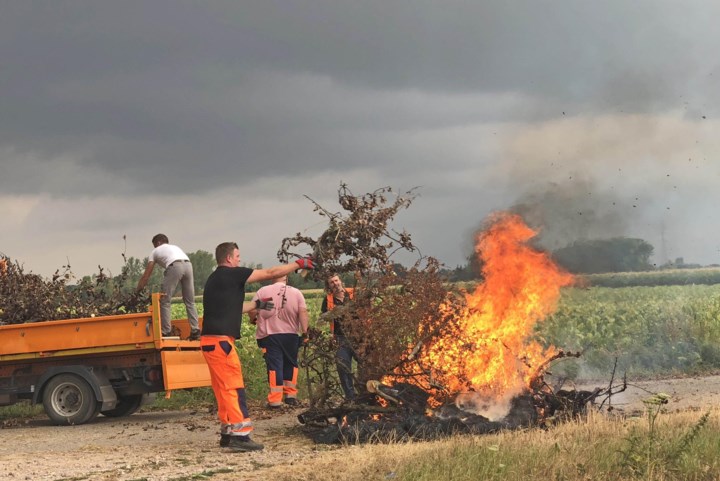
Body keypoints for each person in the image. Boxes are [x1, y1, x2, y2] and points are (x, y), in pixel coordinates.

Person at [201, 242, 314, 452]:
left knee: (222, 389)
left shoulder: (216, 279)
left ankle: (227, 432)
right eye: (237, 256)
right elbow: (271, 272)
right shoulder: (231, 273)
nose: (239, 259)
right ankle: (241, 435)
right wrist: (299, 263)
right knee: (233, 388)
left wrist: (256, 305)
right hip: (221, 343)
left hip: (211, 343)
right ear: (228, 259)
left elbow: (233, 308)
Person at [249, 275, 309, 408]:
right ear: (286, 279)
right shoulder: (296, 292)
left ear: (272, 278)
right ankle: (290, 396)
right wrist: (305, 332)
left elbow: (252, 309)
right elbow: (303, 312)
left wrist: (253, 319)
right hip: (291, 335)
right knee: (291, 364)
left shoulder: (263, 291)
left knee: (275, 366)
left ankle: (275, 400)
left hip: (271, 335)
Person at [136, 234, 200, 340]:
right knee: (190, 301)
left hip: (174, 266)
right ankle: (195, 330)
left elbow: (146, 275)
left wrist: (138, 290)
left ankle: (166, 331)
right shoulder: (175, 247)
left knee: (165, 300)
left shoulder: (155, 251)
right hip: (188, 265)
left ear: (158, 243)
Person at [320, 273, 359, 402]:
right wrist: (331, 314)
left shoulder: (354, 293)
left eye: (336, 280)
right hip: (340, 338)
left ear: (340, 281)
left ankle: (366, 393)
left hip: (359, 336)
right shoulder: (328, 299)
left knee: (365, 364)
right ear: (329, 286)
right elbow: (322, 318)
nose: (335, 284)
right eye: (332, 282)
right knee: (343, 367)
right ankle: (350, 397)